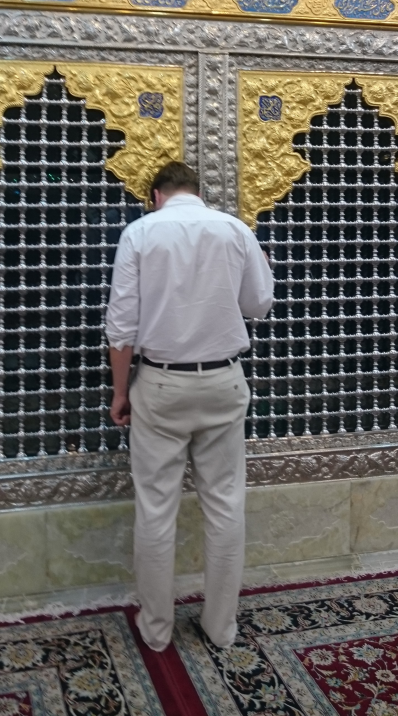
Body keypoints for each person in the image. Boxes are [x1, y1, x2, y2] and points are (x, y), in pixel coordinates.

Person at [105, 160, 274, 653]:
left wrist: (121, 393)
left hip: (160, 385)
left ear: (155, 194)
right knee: (225, 505)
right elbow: (259, 306)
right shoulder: (235, 229)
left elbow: (121, 329)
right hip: (223, 380)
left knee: (156, 509)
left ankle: (156, 631)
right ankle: (221, 628)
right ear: (197, 192)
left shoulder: (139, 234)